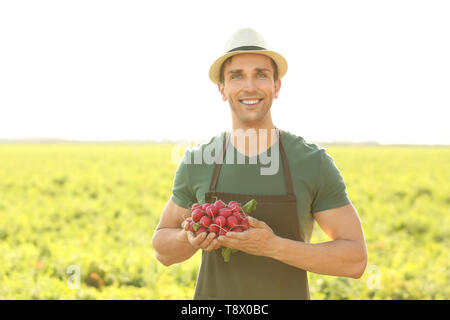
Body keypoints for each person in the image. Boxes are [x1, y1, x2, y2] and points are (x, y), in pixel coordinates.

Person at [152, 28, 368, 300]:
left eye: (261, 74)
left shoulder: (312, 162)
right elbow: (162, 248)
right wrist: (189, 238)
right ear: (222, 89)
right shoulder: (198, 161)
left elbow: (355, 259)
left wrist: (272, 246)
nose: (250, 86)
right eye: (236, 76)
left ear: (276, 87)